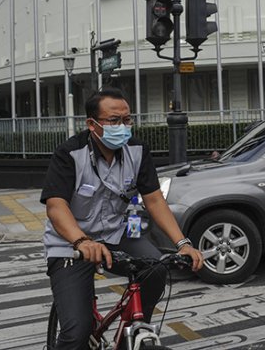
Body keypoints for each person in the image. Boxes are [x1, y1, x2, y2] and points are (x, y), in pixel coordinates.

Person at [41, 88, 204, 349]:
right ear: (92, 125)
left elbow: (154, 200)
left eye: (127, 120)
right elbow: (56, 206)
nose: (123, 126)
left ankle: (135, 331)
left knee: (155, 267)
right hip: (71, 245)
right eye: (114, 120)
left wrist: (183, 243)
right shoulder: (70, 153)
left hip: (117, 234)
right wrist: (82, 241)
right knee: (76, 333)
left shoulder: (137, 151)